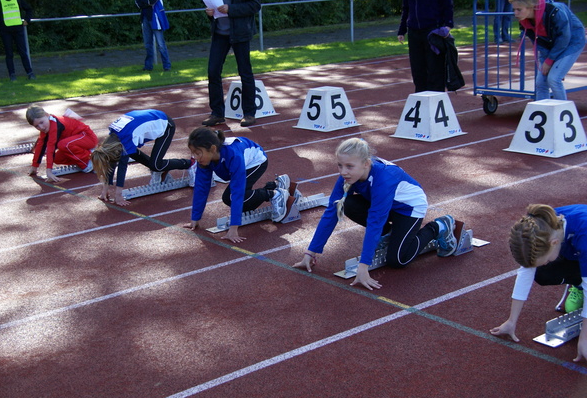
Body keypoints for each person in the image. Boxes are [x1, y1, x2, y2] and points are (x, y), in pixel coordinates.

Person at [293, 138, 458, 290]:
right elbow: (331, 213)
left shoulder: (383, 179)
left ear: (366, 163)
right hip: (383, 204)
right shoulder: (347, 177)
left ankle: (439, 226)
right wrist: (310, 252)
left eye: (349, 166)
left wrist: (364, 266)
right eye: (340, 165)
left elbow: (375, 221)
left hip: (408, 209)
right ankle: (389, 234)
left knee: (398, 260)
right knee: (344, 204)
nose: (343, 172)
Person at [490, 204, 587, 363]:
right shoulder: (539, 229)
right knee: (543, 273)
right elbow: (526, 272)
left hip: (584, 244)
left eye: (546, 259)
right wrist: (511, 320)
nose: (545, 263)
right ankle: (578, 285)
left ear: (555, 243)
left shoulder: (584, 235)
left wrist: (584, 338)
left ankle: (581, 283)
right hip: (577, 250)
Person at [186, 127, 289, 243]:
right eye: (193, 153)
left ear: (213, 149)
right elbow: (201, 187)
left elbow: (237, 190)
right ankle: (273, 186)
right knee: (238, 202)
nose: (195, 157)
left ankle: (274, 194)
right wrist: (195, 218)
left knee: (231, 197)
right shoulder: (204, 160)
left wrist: (234, 228)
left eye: (198, 153)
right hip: (242, 163)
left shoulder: (233, 155)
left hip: (256, 161)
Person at [91, 109, 191, 207]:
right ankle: (160, 170)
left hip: (166, 125)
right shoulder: (111, 138)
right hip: (151, 116)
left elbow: (122, 167)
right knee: (131, 153)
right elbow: (112, 163)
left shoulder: (126, 138)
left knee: (155, 165)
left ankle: (190, 163)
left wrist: (118, 195)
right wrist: (105, 190)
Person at [201, 0, 261, 128]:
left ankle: (249, 113)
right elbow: (213, 8)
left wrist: (231, 9)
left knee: (245, 71)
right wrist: (210, 14)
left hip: (240, 33)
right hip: (219, 34)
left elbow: (255, 5)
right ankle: (217, 113)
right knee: (213, 71)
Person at [511, 0, 585, 101]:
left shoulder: (555, 12)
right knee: (540, 83)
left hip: (572, 41)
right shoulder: (525, 21)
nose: (515, 13)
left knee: (554, 79)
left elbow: (564, 38)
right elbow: (537, 42)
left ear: (531, 7)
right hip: (550, 45)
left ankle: (561, 112)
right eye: (514, 9)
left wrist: (551, 61)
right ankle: (543, 111)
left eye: (519, 10)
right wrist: (548, 61)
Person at [26, 105, 98, 182]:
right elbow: (40, 146)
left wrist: (49, 171)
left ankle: (89, 161)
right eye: (37, 126)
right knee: (56, 158)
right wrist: (34, 166)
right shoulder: (45, 129)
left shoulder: (54, 124)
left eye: (41, 122)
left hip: (87, 137)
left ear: (47, 115)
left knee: (63, 144)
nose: (41, 127)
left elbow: (51, 148)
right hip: (75, 142)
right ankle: (84, 157)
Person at [397, 0, 454, 93]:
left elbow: (447, 3)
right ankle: (421, 98)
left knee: (435, 68)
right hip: (413, 31)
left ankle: (436, 98)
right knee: (417, 70)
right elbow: (406, 8)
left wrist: (448, 25)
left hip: (432, 31)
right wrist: (402, 30)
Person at [0, 0, 36, 81]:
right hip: (5, 31)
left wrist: (27, 20)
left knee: (23, 52)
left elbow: (29, 9)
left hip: (18, 29)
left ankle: (30, 73)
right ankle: (12, 75)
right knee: (9, 54)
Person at [135, 0, 171, 72]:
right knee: (147, 44)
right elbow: (137, 2)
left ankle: (167, 66)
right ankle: (148, 66)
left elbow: (152, 0)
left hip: (155, 17)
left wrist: (144, 2)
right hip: (145, 18)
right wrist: (146, 2)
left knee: (161, 44)